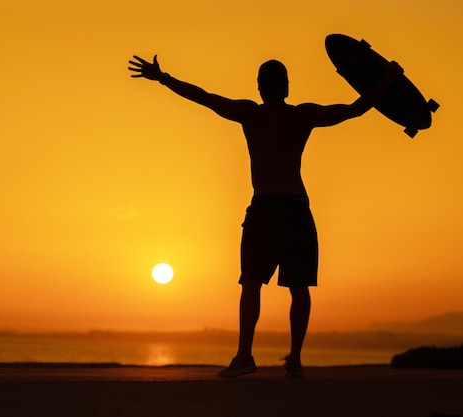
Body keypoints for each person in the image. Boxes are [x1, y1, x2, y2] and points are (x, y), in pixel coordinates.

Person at [128, 54, 403, 378]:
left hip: (266, 209)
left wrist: (163, 78)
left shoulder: (251, 113)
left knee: (253, 284)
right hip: (295, 209)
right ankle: (293, 360)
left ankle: (248, 356)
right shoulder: (302, 115)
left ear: (260, 88)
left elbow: (204, 98)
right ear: (286, 87)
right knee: (295, 288)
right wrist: (388, 80)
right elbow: (353, 109)